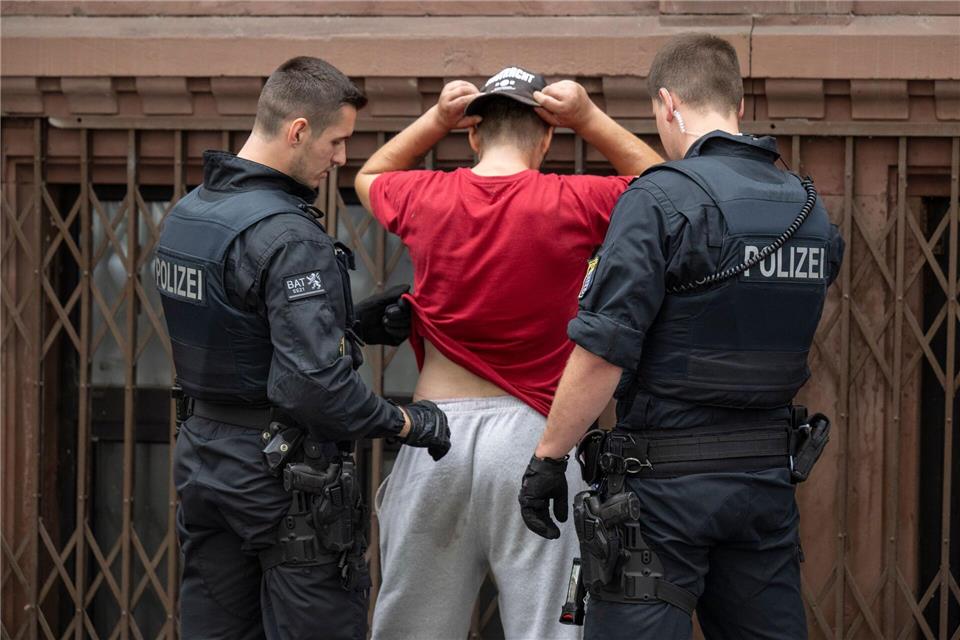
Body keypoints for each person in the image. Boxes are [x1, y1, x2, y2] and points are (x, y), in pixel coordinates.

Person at [517, 34, 845, 639]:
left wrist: (547, 460)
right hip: (764, 488)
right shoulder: (809, 209)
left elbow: (602, 352)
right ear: (738, 108)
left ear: (668, 105)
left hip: (662, 495)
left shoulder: (659, 198)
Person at [354, 66, 663, 639]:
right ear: (547, 137)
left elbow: (369, 175)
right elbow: (662, 186)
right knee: (552, 629)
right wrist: (588, 117)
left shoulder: (428, 195)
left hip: (433, 437)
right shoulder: (574, 200)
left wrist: (435, 118)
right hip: (535, 443)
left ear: (473, 134)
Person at [155, 56, 451, 640]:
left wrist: (352, 323)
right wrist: (405, 422)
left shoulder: (189, 215)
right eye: (337, 141)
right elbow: (314, 388)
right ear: (298, 131)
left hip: (206, 464)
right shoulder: (288, 234)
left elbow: (238, 326)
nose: (342, 158)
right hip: (283, 483)